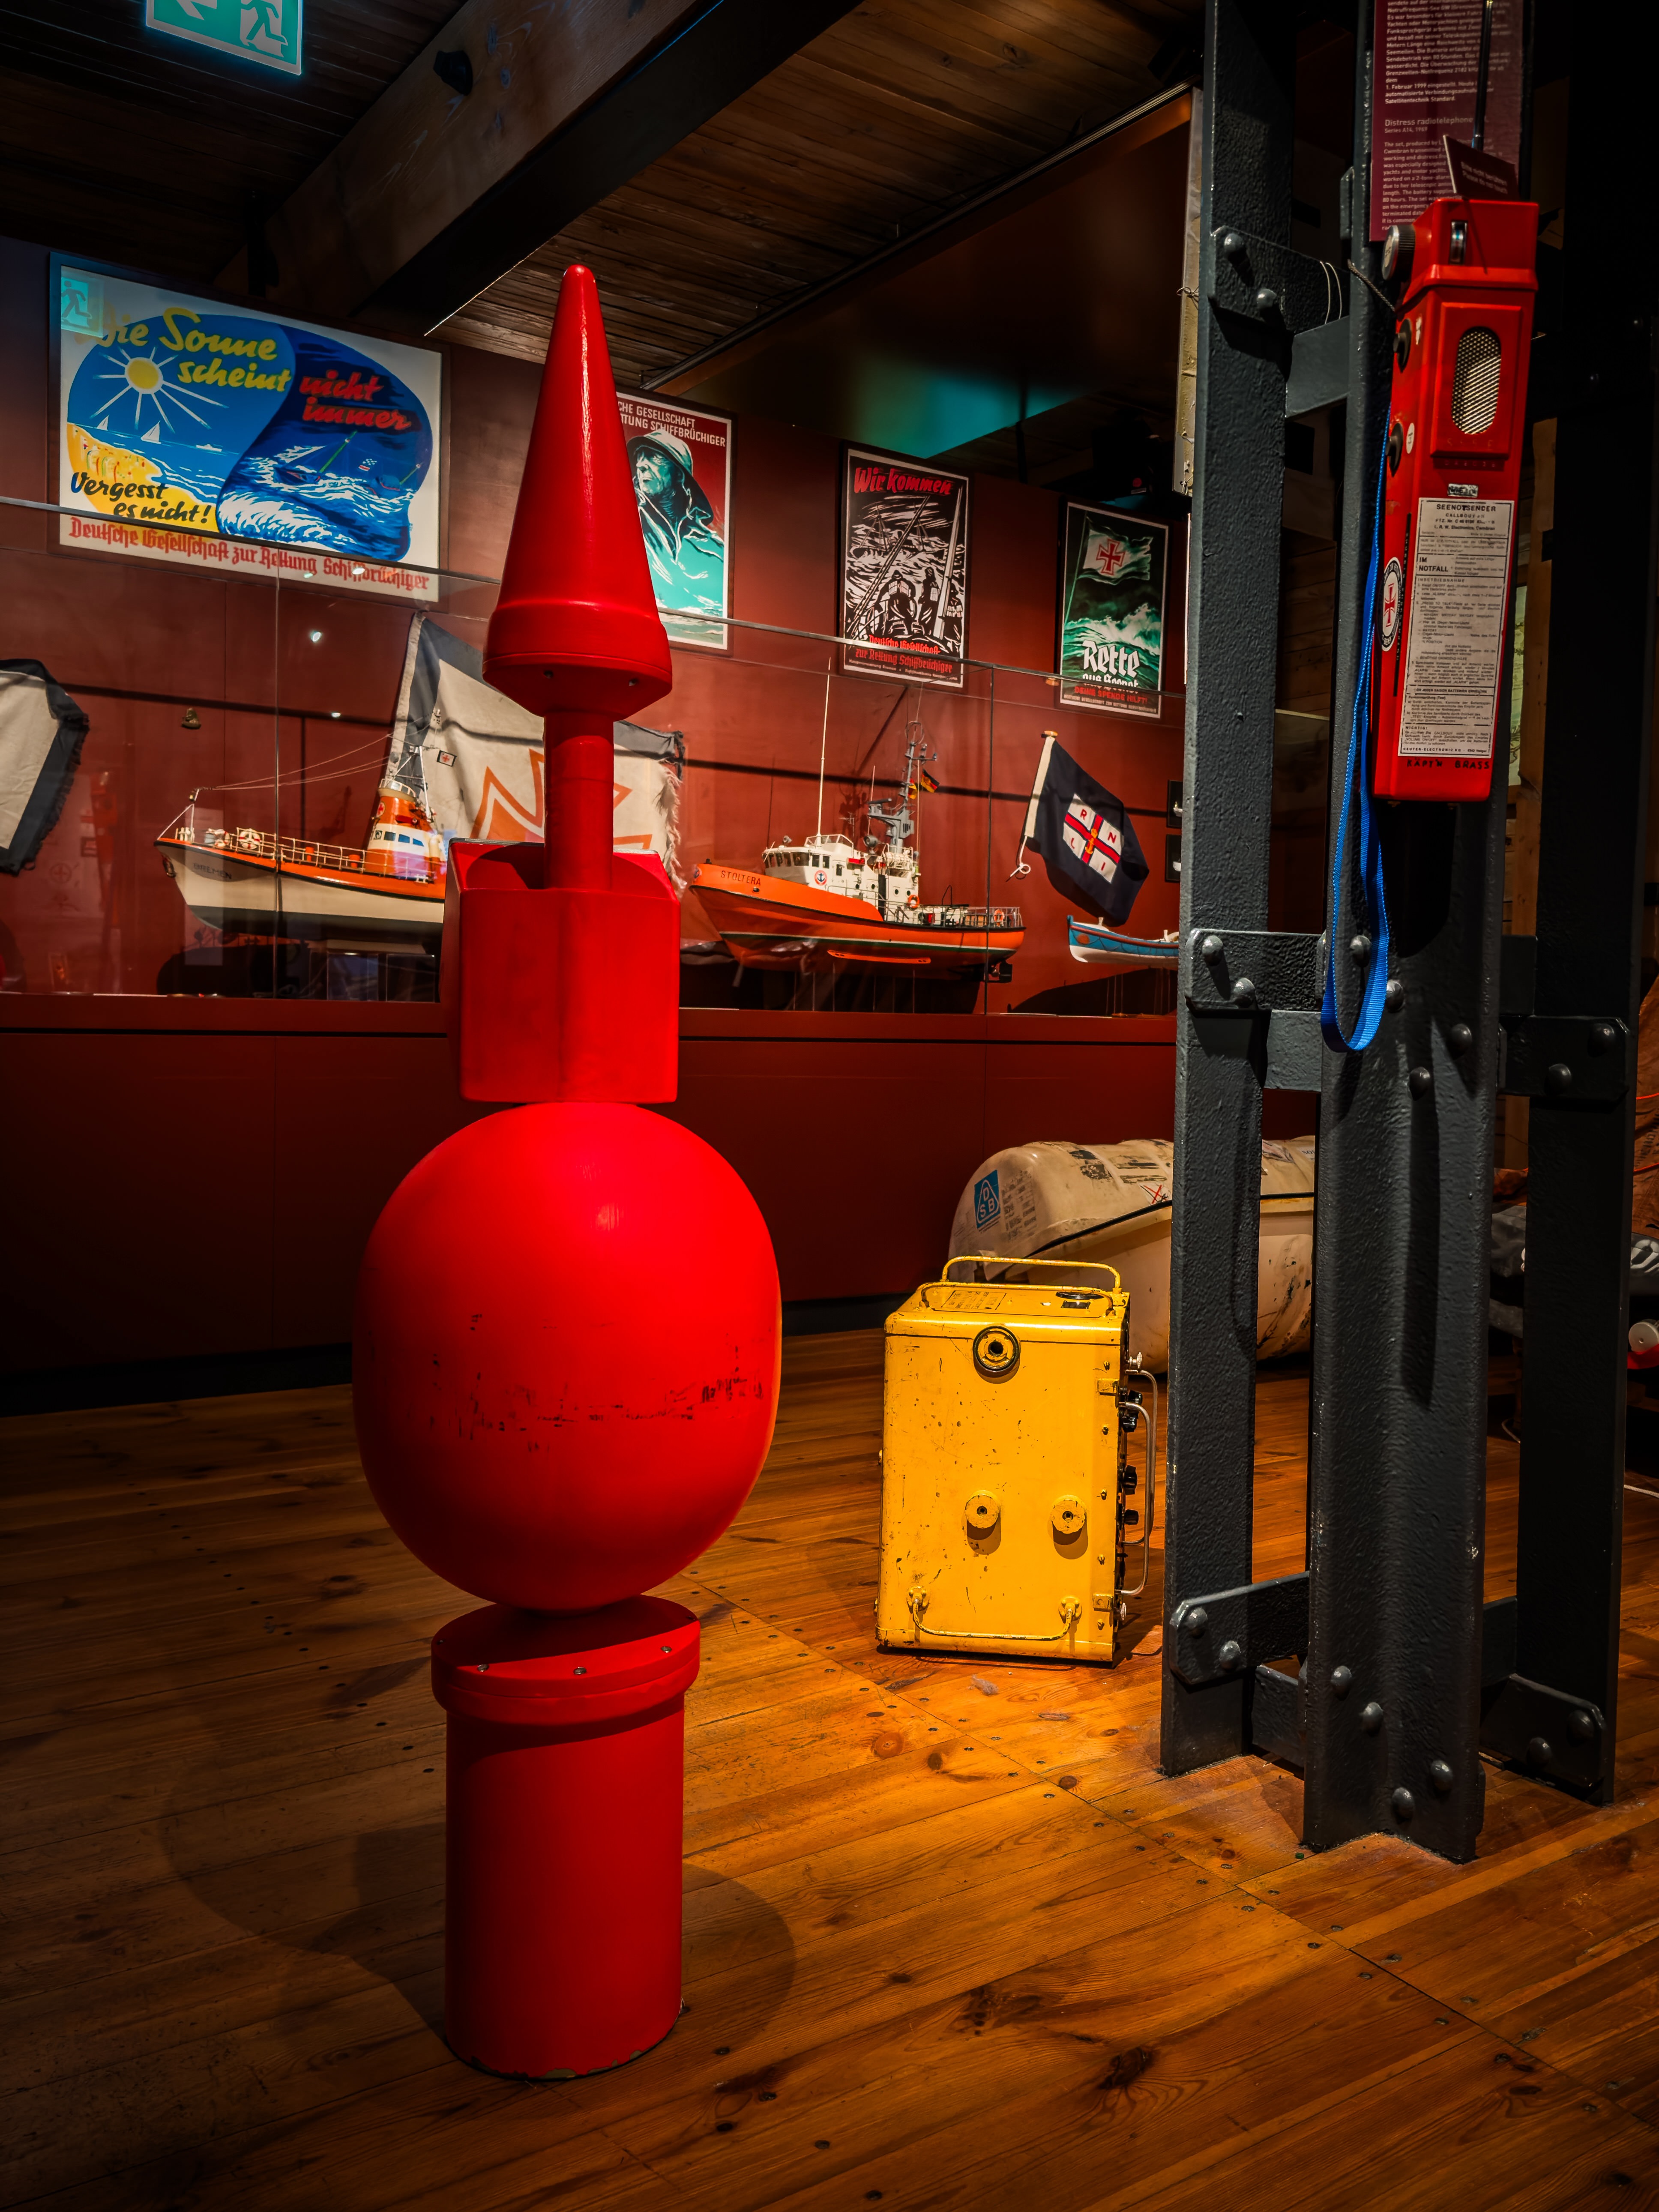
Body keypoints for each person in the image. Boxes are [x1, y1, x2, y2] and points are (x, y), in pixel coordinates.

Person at [627, 429, 725, 618]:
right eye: (639, 458)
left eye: (652, 457)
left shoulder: (715, 550)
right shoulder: (626, 525)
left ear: (679, 474)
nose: (640, 465)